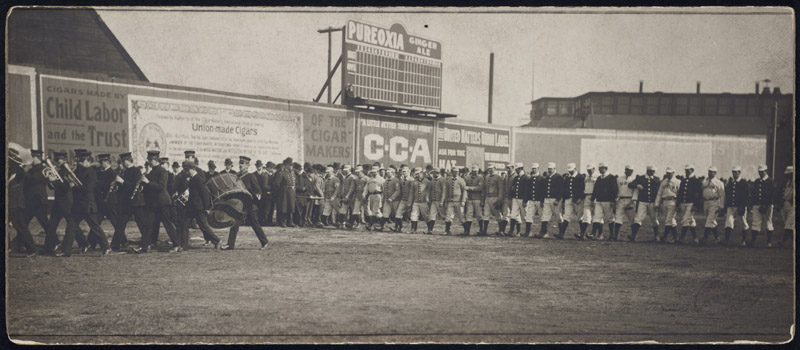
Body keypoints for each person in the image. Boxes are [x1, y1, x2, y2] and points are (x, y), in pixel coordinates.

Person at [58, 150, 113, 256]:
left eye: (82, 161)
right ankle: (66, 250)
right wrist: (70, 184)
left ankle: (106, 247)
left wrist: (75, 185)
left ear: (88, 161)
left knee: (95, 227)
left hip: (88, 205)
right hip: (78, 205)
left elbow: (87, 189)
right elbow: (75, 187)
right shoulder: (78, 171)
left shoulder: (91, 173)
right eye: (80, 160)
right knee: (71, 227)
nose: (80, 163)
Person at [224, 156, 269, 250]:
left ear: (247, 165)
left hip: (249, 205)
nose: (240, 165)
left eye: (243, 163)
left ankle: (264, 242)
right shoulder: (236, 176)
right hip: (239, 205)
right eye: (240, 163)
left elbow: (258, 190)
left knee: (255, 224)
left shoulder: (250, 176)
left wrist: (254, 195)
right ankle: (230, 245)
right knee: (234, 224)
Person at [141, 150, 180, 252]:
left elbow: (161, 187)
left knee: (167, 224)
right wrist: (142, 186)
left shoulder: (162, 171)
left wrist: (148, 182)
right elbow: (148, 187)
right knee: (148, 224)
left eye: (150, 160)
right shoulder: (152, 171)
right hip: (154, 203)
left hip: (162, 202)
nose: (149, 162)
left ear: (155, 160)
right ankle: (145, 246)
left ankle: (176, 245)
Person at [180, 161, 225, 249]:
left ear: (192, 169)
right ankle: (184, 245)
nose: (186, 172)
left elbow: (205, 194)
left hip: (198, 208)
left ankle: (217, 241)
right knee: (185, 225)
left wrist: (206, 207)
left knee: (203, 226)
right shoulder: (192, 179)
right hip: (192, 207)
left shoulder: (199, 179)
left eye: (187, 170)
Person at [117, 154, 152, 253]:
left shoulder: (136, 171)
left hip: (136, 201)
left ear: (127, 161)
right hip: (128, 202)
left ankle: (147, 242)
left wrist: (122, 181)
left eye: (123, 161)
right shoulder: (125, 171)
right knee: (121, 223)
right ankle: (115, 244)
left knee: (141, 223)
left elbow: (133, 186)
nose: (122, 164)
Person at [42, 152, 73, 254]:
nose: (58, 162)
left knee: (72, 224)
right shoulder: (58, 171)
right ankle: (48, 247)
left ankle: (84, 243)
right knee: (52, 225)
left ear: (64, 160)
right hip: (57, 202)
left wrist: (54, 181)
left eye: (60, 160)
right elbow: (53, 187)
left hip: (65, 202)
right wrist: (49, 180)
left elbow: (65, 188)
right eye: (57, 160)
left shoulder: (67, 172)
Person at [8, 154, 37, 255]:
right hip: (13, 202)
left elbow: (30, 180)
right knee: (20, 226)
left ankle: (31, 248)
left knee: (20, 226)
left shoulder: (17, 171)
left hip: (14, 203)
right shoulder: (13, 170)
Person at [628, 165, 661, 242]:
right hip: (642, 201)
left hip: (652, 202)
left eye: (654, 171)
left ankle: (656, 236)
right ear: (648, 171)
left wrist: (658, 203)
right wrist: (637, 185)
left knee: (654, 219)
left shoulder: (656, 179)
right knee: (638, 218)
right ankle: (633, 236)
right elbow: (630, 185)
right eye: (651, 171)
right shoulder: (640, 178)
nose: (653, 173)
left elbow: (660, 191)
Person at [24, 149, 50, 237]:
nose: (29, 160)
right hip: (32, 201)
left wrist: (22, 171)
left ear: (37, 158)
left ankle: (55, 242)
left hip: (39, 201)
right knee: (23, 224)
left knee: (45, 224)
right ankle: (18, 244)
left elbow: (33, 180)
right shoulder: (32, 170)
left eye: (31, 158)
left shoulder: (42, 169)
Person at [675, 164, 702, 244]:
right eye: (685, 170)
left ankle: (681, 238)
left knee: (685, 220)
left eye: (688, 170)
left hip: (691, 203)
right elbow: (680, 193)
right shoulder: (683, 181)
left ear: (692, 170)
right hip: (683, 203)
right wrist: (678, 204)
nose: (686, 171)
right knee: (690, 221)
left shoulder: (696, 181)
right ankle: (695, 238)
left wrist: (695, 205)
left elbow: (698, 195)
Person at [749, 165, 775, 247]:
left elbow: (772, 194)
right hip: (757, 204)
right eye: (759, 172)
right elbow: (754, 193)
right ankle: (753, 241)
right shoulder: (757, 181)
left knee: (768, 222)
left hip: (767, 205)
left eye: (762, 172)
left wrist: (766, 204)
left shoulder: (770, 181)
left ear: (766, 171)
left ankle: (769, 242)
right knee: (755, 222)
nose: (760, 173)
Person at [724, 165, 750, 246]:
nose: (734, 174)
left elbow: (746, 196)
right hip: (731, 206)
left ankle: (744, 240)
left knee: (743, 223)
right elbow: (728, 195)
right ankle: (727, 240)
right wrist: (726, 206)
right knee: (728, 222)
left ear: (739, 172)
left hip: (740, 206)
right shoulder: (731, 183)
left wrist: (743, 206)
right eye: (733, 172)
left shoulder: (743, 183)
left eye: (736, 172)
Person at [699, 166, 725, 244]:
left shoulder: (719, 183)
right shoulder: (705, 182)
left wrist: (721, 206)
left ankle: (705, 238)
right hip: (706, 202)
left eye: (712, 172)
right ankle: (717, 238)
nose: (710, 173)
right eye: (709, 171)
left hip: (714, 202)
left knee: (709, 220)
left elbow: (722, 195)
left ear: (715, 173)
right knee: (711, 221)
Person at [655, 167, 681, 242]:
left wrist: (678, 204)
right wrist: (657, 203)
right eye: (667, 173)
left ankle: (667, 237)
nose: (668, 174)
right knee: (669, 220)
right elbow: (659, 193)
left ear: (673, 173)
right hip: (664, 201)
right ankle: (673, 237)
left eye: (670, 173)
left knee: (669, 219)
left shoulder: (677, 182)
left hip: (673, 201)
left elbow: (679, 194)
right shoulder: (663, 182)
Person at [613, 165, 638, 241]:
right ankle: (615, 236)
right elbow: (616, 190)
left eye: (631, 171)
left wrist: (633, 200)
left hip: (630, 200)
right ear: (625, 170)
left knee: (632, 219)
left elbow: (635, 191)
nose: (630, 172)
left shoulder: (634, 179)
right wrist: (616, 199)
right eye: (628, 170)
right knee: (618, 217)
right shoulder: (619, 179)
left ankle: (633, 236)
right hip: (621, 199)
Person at [539, 162, 563, 239]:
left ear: (554, 169)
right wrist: (542, 200)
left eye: (551, 169)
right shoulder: (546, 178)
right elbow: (543, 190)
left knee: (558, 215)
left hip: (555, 199)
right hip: (547, 199)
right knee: (545, 215)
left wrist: (558, 199)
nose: (549, 170)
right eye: (548, 169)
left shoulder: (558, 177)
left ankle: (561, 233)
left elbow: (561, 190)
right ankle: (543, 232)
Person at [561, 163, 585, 239]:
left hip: (577, 200)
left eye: (571, 170)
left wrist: (580, 198)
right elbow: (565, 189)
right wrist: (564, 199)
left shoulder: (580, 177)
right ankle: (561, 234)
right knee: (566, 216)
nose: (570, 172)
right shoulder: (567, 178)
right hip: (569, 199)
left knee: (580, 216)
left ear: (575, 168)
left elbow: (582, 189)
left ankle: (582, 234)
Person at [444, 166, 468, 236]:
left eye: (457, 171)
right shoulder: (448, 180)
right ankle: (447, 230)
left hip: (458, 201)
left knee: (461, 216)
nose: (455, 173)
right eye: (454, 171)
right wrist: (446, 201)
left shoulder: (461, 180)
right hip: (450, 201)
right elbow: (446, 191)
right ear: (452, 172)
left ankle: (466, 230)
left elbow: (464, 191)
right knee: (448, 216)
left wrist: (463, 200)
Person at [506, 163, 528, 237]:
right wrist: (511, 198)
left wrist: (525, 200)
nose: (516, 170)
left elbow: (526, 191)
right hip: (515, 198)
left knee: (525, 215)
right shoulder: (516, 178)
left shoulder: (526, 178)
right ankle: (511, 231)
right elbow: (513, 189)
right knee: (513, 215)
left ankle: (528, 231)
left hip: (522, 199)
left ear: (521, 168)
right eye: (516, 169)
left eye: (518, 169)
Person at [275, 157, 298, 227]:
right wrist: (282, 190)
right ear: (286, 165)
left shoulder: (293, 174)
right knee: (284, 207)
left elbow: (294, 183)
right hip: (284, 193)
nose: (291, 167)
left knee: (291, 207)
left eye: (292, 165)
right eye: (290, 165)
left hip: (291, 192)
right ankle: (283, 222)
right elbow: (277, 183)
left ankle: (290, 221)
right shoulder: (281, 173)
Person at [409, 168, 432, 234]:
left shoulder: (427, 182)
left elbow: (429, 192)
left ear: (422, 173)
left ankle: (430, 229)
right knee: (414, 215)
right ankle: (414, 229)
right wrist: (410, 202)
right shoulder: (414, 182)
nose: (418, 175)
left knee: (426, 216)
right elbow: (411, 192)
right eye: (417, 173)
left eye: (419, 173)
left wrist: (428, 199)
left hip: (423, 201)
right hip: (416, 201)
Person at [523, 163, 543, 237]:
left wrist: (542, 201)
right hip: (531, 200)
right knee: (529, 215)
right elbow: (527, 191)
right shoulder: (530, 179)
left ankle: (543, 232)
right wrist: (525, 200)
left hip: (539, 200)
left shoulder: (541, 179)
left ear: (538, 168)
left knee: (542, 216)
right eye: (533, 169)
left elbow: (543, 191)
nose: (534, 170)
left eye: (535, 168)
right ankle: (528, 232)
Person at [463, 167, 484, 236]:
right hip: (470, 198)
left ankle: (481, 230)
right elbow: (464, 186)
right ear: (472, 171)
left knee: (478, 215)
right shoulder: (468, 178)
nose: (475, 172)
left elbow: (480, 188)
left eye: (477, 171)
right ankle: (467, 231)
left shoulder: (480, 178)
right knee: (468, 214)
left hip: (477, 198)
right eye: (474, 171)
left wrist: (470, 188)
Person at [579, 164, 597, 239]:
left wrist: (594, 198)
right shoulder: (586, 177)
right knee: (586, 215)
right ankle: (582, 234)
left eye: (590, 169)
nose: (589, 171)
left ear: (594, 168)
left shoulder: (597, 177)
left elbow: (597, 189)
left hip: (595, 197)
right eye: (588, 170)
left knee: (597, 216)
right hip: (587, 196)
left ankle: (599, 234)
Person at [392, 167, 413, 233]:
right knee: (398, 213)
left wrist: (410, 201)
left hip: (410, 200)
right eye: (403, 171)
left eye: (405, 171)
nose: (403, 173)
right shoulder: (402, 180)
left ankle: (413, 229)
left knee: (413, 215)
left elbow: (412, 192)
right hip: (403, 200)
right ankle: (399, 227)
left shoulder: (411, 180)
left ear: (408, 171)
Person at [778, 166, 794, 248]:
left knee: (789, 223)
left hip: (793, 205)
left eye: (790, 174)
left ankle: (782, 241)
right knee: (788, 225)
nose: (788, 176)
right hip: (785, 204)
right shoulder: (787, 182)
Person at [428, 167, 447, 235]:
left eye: (434, 173)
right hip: (434, 200)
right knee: (432, 215)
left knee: (444, 215)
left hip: (439, 201)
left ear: (438, 173)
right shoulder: (432, 181)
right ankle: (430, 230)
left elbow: (444, 192)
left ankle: (447, 230)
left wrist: (442, 201)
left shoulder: (442, 180)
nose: (433, 174)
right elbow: (429, 190)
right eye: (433, 173)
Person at [381, 167, 399, 231]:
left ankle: (397, 227)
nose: (387, 174)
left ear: (392, 173)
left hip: (395, 201)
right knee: (385, 213)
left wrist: (392, 198)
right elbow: (384, 191)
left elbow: (397, 191)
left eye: (389, 172)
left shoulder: (395, 180)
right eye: (387, 173)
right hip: (387, 200)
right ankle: (382, 226)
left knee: (396, 214)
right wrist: (384, 198)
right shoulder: (385, 181)